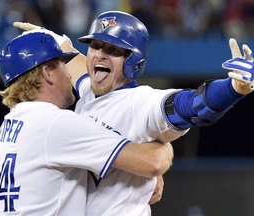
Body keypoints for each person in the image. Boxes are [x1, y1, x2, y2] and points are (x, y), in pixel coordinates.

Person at [13, 10, 254, 216]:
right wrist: (50, 39)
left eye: (113, 49)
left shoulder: (142, 103)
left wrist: (233, 89)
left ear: (133, 62)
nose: (99, 54)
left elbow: (191, 106)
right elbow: (77, 61)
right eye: (95, 45)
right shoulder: (88, 90)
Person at [0, 31, 174, 216]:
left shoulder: (12, 123)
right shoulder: (56, 124)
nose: (70, 74)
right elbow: (153, 162)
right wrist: (162, 142)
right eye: (64, 64)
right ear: (47, 73)